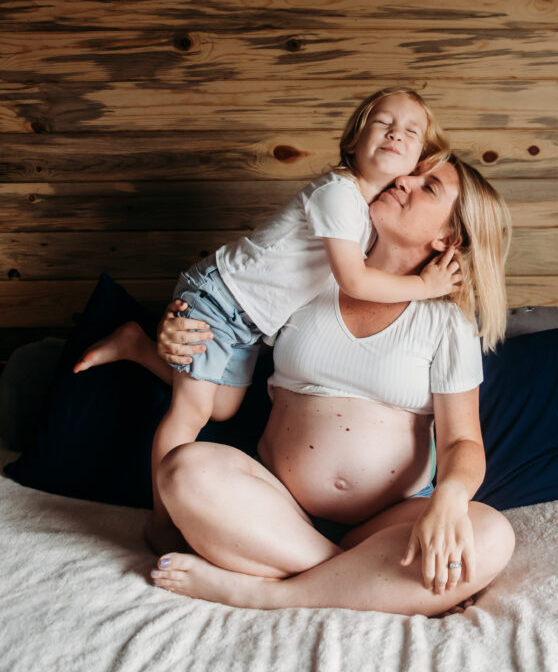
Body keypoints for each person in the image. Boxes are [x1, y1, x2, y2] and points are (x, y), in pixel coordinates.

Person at [84, 154, 516, 616]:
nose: (405, 179)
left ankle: (267, 592)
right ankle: (358, 579)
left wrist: (450, 498)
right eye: (412, 172)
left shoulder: (446, 322)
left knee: (493, 534)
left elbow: (463, 440)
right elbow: (221, 316)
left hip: (391, 521)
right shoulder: (309, 280)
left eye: (428, 187)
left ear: (446, 237)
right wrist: (175, 331)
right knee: (183, 469)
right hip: (272, 511)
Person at [77, 88, 462, 551]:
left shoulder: (364, 227)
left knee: (224, 408)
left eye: (411, 132)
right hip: (223, 297)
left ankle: (137, 345)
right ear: (353, 141)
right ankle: (161, 521)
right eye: (383, 123)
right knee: (193, 412)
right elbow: (356, 282)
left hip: (250, 323)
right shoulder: (338, 196)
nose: (395, 135)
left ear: (420, 157)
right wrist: (425, 287)